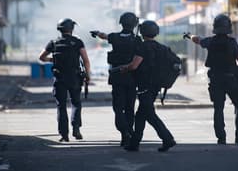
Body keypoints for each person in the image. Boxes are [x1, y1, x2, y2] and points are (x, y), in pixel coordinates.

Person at [184, 14, 238, 145]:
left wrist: (188, 35)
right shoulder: (232, 42)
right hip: (232, 80)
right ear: (228, 28)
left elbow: (198, 39)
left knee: (218, 108)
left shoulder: (210, 41)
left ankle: (221, 138)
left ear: (215, 28)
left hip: (215, 80)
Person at [121, 20, 176, 152]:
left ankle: (168, 139)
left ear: (142, 32)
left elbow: (134, 65)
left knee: (150, 115)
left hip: (145, 86)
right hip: (156, 86)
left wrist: (125, 68)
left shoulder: (142, 47)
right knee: (140, 115)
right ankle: (134, 144)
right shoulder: (162, 48)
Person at [90, 12, 141, 147]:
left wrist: (97, 33)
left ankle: (124, 133)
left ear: (121, 23)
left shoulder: (115, 37)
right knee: (130, 108)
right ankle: (129, 132)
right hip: (132, 78)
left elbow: (105, 36)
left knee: (118, 108)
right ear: (134, 24)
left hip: (117, 77)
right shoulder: (137, 40)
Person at [39, 18, 91, 142]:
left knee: (61, 106)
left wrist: (53, 60)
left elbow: (41, 57)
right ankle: (76, 129)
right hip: (74, 77)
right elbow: (85, 60)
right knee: (76, 103)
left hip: (59, 78)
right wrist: (87, 75)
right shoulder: (77, 42)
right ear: (72, 29)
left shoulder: (53, 43)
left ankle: (64, 134)